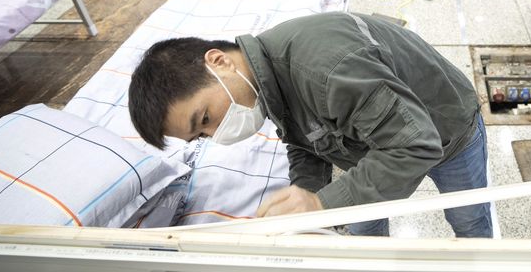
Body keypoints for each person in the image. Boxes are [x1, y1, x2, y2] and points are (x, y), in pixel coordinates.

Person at [128, 12, 492, 238]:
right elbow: (306, 138)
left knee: (468, 219)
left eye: (205, 119)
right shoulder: (263, 80)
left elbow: (417, 144)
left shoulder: (326, 69)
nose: (216, 135)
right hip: (380, 142)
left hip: (447, 128)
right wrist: (304, 195)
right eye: (201, 136)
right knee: (363, 226)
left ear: (219, 61)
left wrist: (322, 203)